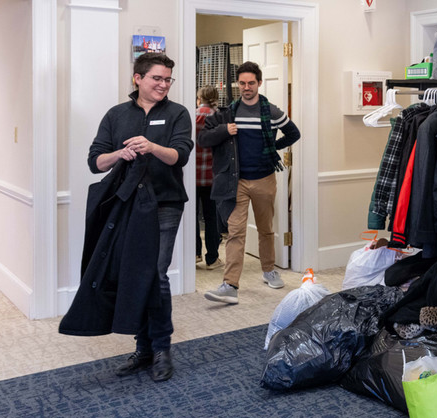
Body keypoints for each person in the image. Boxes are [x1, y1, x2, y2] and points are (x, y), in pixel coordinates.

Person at [76, 52, 192, 382]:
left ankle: (160, 350)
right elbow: (95, 161)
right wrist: (120, 154)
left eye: (168, 79)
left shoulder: (178, 114)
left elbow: (179, 155)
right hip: (126, 205)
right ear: (137, 78)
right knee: (134, 275)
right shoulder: (116, 116)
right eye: (157, 78)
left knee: (156, 274)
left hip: (165, 204)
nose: (163, 84)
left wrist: (152, 146)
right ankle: (142, 349)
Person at [199, 61, 301, 304]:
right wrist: (225, 130)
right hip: (237, 182)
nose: (246, 87)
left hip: (265, 179)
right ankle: (230, 284)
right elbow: (204, 139)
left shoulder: (272, 111)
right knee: (235, 232)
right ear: (238, 84)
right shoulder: (227, 113)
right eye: (242, 83)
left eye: (251, 83)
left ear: (259, 83)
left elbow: (294, 133)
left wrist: (270, 149)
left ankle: (269, 270)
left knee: (266, 229)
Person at [195, 86, 223, 270]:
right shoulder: (221, 118)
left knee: (192, 217)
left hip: (193, 176)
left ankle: (194, 253)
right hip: (214, 176)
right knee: (212, 217)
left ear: (199, 98)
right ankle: (212, 258)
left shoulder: (191, 116)